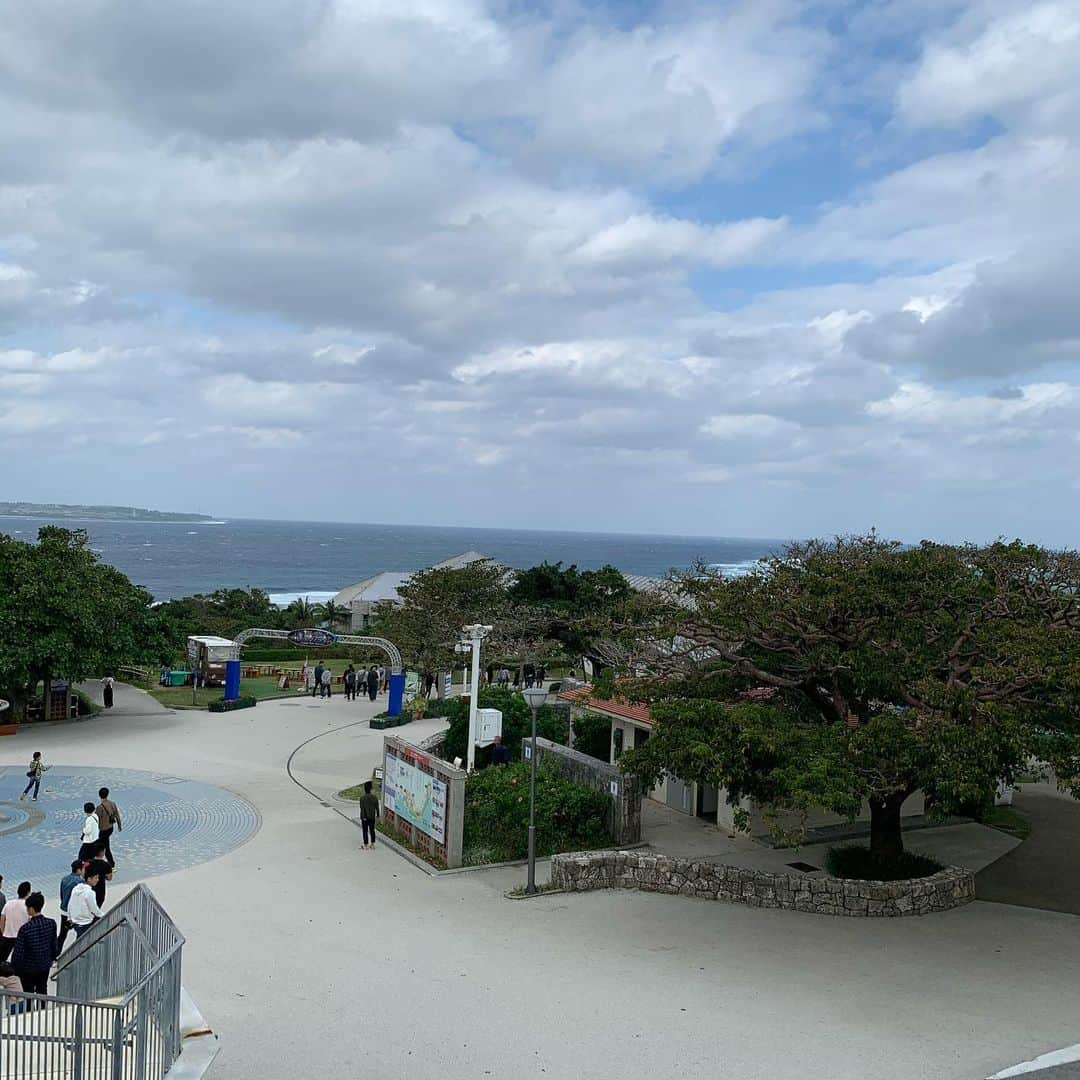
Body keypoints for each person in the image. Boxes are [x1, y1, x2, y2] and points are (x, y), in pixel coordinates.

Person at [12, 892, 57, 1000]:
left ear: (31, 909)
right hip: (45, 965)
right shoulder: (51, 923)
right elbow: (54, 946)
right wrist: (51, 959)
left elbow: (18, 953)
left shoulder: (25, 928)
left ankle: (29, 1014)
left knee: (28, 993)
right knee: (42, 989)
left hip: (28, 968)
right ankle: (43, 1011)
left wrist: (15, 969)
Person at [0, 882, 31, 964]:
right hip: (21, 938)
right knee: (21, 961)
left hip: (7, 936)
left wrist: (3, 932)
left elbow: (2, 919)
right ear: (28, 892)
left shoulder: (8, 904)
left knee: (2, 959)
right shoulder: (28, 906)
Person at [67, 870, 104, 939]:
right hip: (85, 921)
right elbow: (94, 909)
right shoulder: (90, 892)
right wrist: (103, 916)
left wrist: (70, 917)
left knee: (80, 939)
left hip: (75, 920)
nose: (97, 880)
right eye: (96, 878)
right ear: (89, 879)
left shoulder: (75, 888)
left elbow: (70, 904)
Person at [57, 861, 84, 953]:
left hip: (64, 910)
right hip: (75, 912)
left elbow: (61, 895)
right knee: (81, 932)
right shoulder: (80, 882)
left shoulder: (64, 879)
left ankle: (55, 955)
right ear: (79, 870)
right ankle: (78, 952)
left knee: (62, 934)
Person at [96, 787, 122, 870]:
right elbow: (117, 815)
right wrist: (119, 826)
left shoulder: (99, 807)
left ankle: (110, 863)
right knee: (105, 845)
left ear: (99, 795)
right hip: (110, 828)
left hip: (103, 830)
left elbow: (96, 819)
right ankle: (110, 862)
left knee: (103, 847)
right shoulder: (112, 803)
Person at [84, 845, 112, 909]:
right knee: (97, 907)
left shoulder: (87, 863)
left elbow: (83, 874)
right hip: (100, 889)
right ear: (102, 852)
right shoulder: (106, 865)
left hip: (88, 887)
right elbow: (109, 878)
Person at [358, 781, 380, 849]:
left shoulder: (362, 798)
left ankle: (366, 845)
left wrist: (363, 817)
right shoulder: (374, 797)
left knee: (365, 831)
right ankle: (372, 844)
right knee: (372, 830)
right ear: (371, 789)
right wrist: (378, 815)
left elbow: (362, 808)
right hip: (372, 816)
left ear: (364, 789)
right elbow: (377, 807)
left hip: (364, 817)